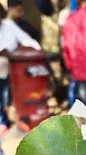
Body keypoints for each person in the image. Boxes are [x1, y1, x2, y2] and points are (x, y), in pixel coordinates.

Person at [0, 2, 41, 134]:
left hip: (9, 71)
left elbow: (26, 39)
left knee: (6, 98)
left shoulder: (8, 25)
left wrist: (38, 52)